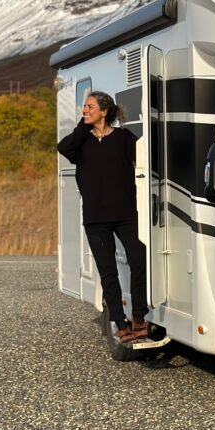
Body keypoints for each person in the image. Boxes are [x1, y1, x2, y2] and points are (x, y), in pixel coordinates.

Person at [57, 91, 148, 344]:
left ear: (104, 111)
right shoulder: (81, 143)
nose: (85, 110)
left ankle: (139, 317)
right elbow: (62, 147)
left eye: (90, 107)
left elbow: (143, 163)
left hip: (126, 213)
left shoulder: (124, 138)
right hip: (96, 217)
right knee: (108, 272)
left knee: (138, 261)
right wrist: (83, 126)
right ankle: (120, 323)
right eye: (84, 107)